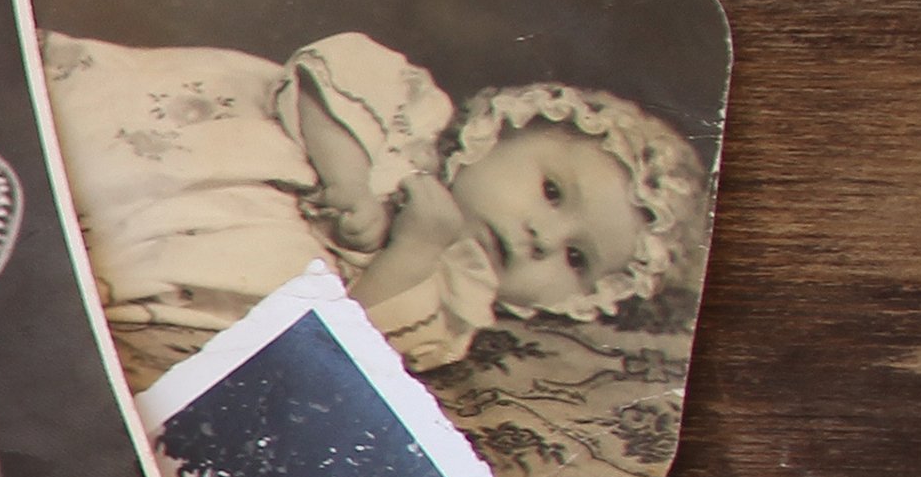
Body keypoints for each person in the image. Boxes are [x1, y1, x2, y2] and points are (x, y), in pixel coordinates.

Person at [43, 29, 704, 391]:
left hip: (200, 276)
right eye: (552, 192)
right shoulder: (414, 118)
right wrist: (350, 178)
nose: (539, 236)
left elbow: (346, 343)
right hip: (220, 159)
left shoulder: (453, 310)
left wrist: (413, 249)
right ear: (499, 133)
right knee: (96, 145)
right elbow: (336, 67)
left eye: (573, 257)